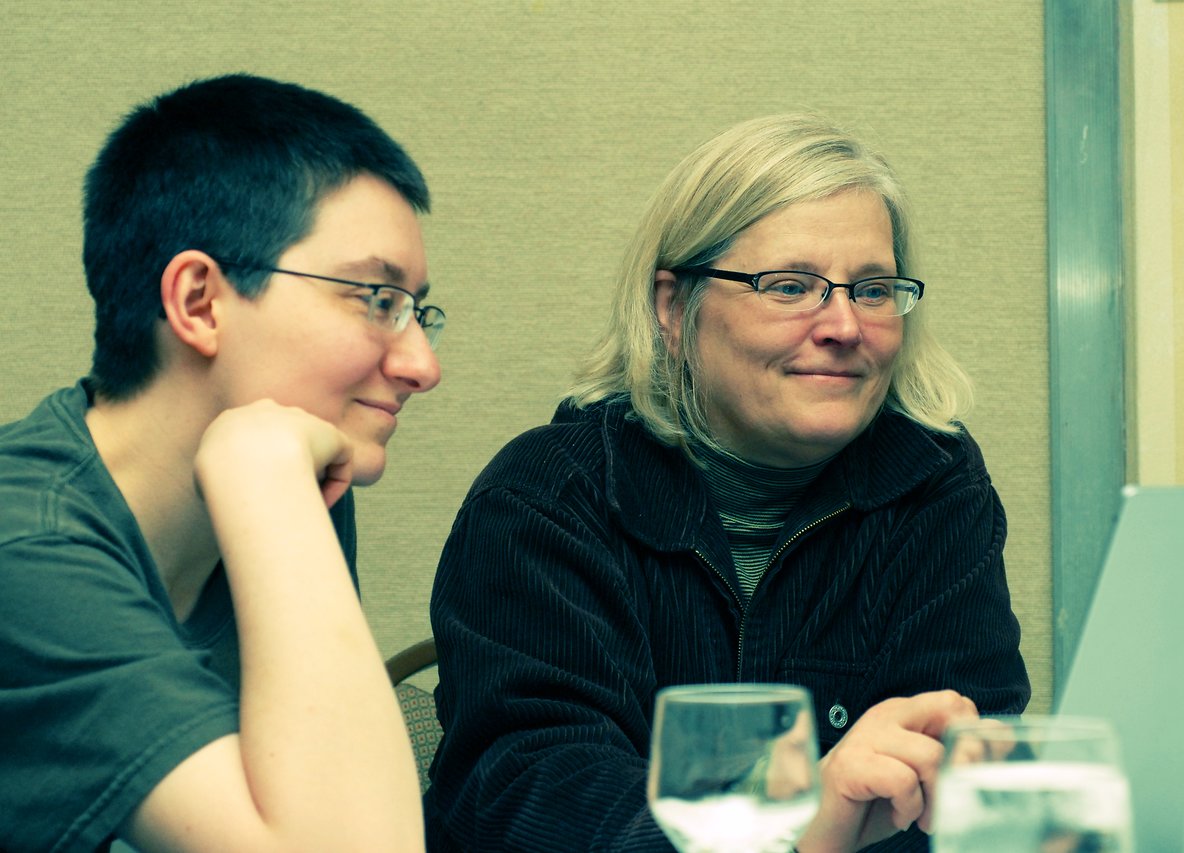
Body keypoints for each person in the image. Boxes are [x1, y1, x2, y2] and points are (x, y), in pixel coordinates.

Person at [424, 113, 1030, 852]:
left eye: (872, 290)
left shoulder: (936, 486)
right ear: (674, 308)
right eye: (790, 286)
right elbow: (533, 793)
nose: (843, 325)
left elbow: (967, 779)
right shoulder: (546, 498)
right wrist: (807, 820)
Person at [0, 74, 445, 852]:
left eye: (419, 310)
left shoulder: (290, 472)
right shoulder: (25, 545)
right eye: (378, 298)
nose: (421, 363)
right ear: (200, 301)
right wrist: (268, 486)